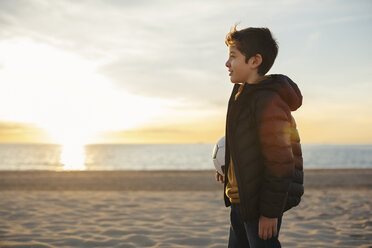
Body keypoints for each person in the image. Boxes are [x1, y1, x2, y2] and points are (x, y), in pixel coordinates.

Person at [216, 25, 304, 248]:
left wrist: (270, 214)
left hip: (260, 206)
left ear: (254, 61)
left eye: (233, 57)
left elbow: (281, 162)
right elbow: (245, 143)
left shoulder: (269, 101)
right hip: (240, 199)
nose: (227, 64)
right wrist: (229, 171)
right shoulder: (240, 93)